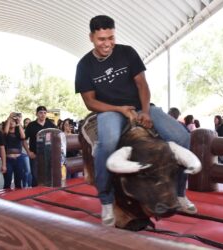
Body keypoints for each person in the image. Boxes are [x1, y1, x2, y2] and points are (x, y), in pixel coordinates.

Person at [75, 15, 196, 226]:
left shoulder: (127, 52)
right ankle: (106, 200)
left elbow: (142, 85)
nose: (107, 44)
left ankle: (179, 193)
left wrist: (146, 112)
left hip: (140, 106)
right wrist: (119, 109)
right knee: (107, 144)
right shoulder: (84, 65)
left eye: (111, 37)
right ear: (91, 38)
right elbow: (90, 102)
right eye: (102, 39)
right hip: (109, 111)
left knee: (181, 136)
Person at [23, 106, 56, 186]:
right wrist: (28, 152)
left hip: (48, 155)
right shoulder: (31, 125)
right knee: (35, 177)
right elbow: (23, 139)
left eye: (45, 113)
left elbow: (56, 137)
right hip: (35, 155)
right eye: (40, 113)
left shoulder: (50, 124)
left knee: (48, 177)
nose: (43, 114)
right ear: (36, 114)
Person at [3, 112, 25, 189]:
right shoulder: (5, 132)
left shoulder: (18, 132)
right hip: (8, 159)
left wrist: (19, 123)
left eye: (13, 121)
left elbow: (23, 136)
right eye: (10, 122)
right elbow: (5, 131)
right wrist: (9, 118)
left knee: (18, 181)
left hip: (19, 159)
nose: (12, 123)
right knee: (7, 181)